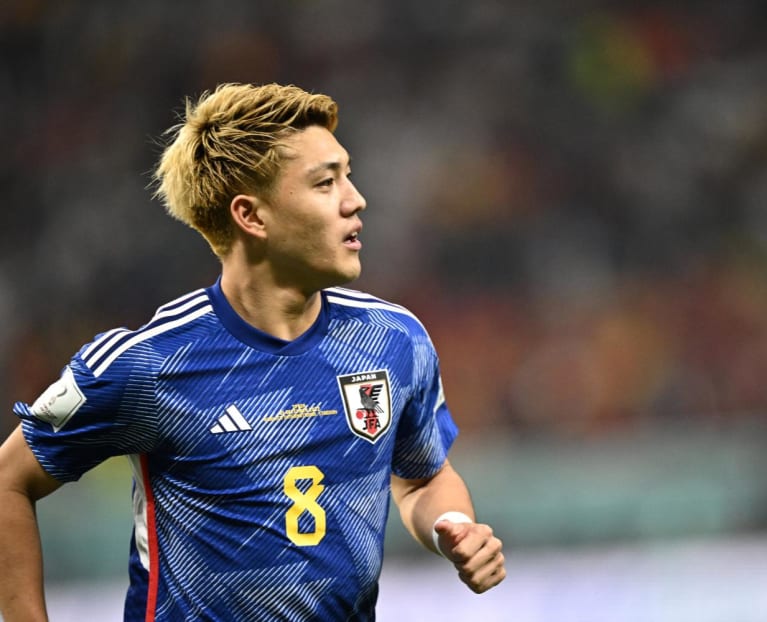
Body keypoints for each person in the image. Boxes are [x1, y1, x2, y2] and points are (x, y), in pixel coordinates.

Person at [0, 82, 506, 621]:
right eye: (325, 182)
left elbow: (423, 476)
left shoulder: (393, 339)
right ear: (252, 216)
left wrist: (450, 525)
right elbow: (9, 481)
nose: (355, 199)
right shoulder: (150, 362)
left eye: (348, 175)